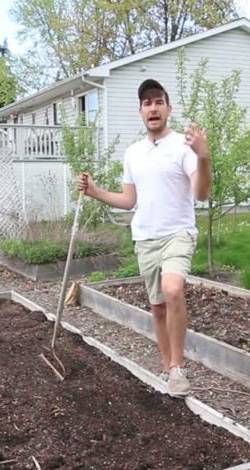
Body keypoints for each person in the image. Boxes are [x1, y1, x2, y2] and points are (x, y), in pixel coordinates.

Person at [77, 79, 211, 396]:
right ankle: (167, 368)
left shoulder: (184, 147)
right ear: (140, 111)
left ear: (168, 108)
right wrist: (94, 191)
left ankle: (177, 368)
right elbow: (128, 200)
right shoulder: (133, 153)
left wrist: (204, 156)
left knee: (173, 290)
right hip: (146, 238)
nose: (153, 108)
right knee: (158, 307)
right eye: (147, 103)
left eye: (158, 102)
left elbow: (201, 193)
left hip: (177, 233)